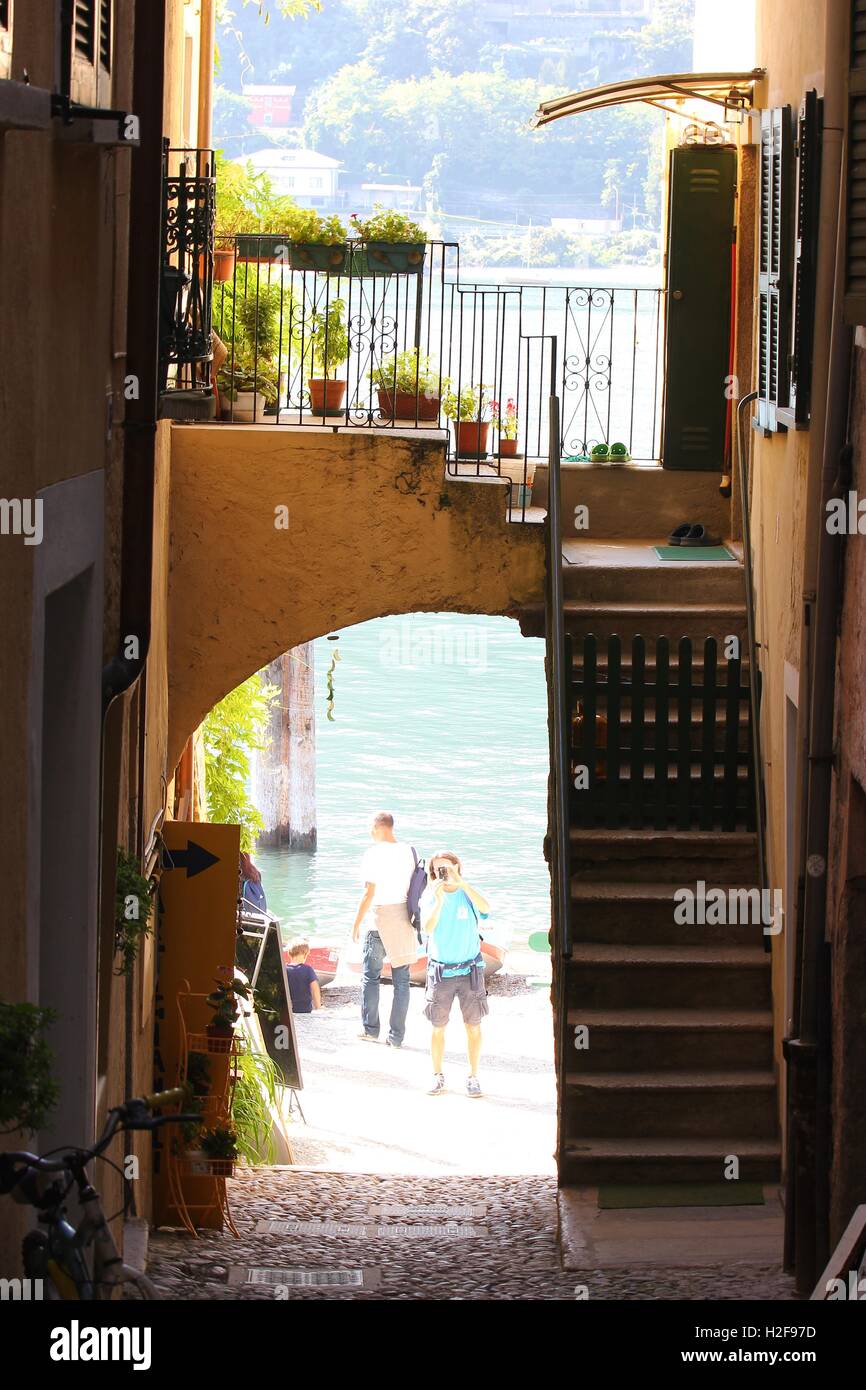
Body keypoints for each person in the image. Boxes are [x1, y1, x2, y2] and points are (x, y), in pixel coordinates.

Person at [419, 851, 490, 1098]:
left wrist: (462, 883)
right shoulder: (430, 895)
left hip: (470, 970)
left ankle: (473, 1076)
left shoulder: (467, 893)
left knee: (473, 1026)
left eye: (447, 868)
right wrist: (438, 899)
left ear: (457, 867)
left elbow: (486, 909)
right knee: (438, 1027)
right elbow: (428, 927)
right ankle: (437, 1075)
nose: (443, 874)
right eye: (438, 870)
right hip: (441, 973)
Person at [351, 811, 418, 1048]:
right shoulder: (409, 850)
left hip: (378, 918)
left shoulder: (372, 853)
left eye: (371, 827)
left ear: (378, 827)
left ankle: (371, 1030)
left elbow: (369, 893)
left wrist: (356, 922)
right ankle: (396, 1037)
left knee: (371, 977)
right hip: (402, 917)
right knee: (402, 980)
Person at [285, 940, 322, 1015]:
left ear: (289, 954)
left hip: (289, 1009)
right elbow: (315, 989)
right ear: (305, 955)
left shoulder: (285, 970)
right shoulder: (308, 969)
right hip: (305, 1010)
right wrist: (318, 1007)